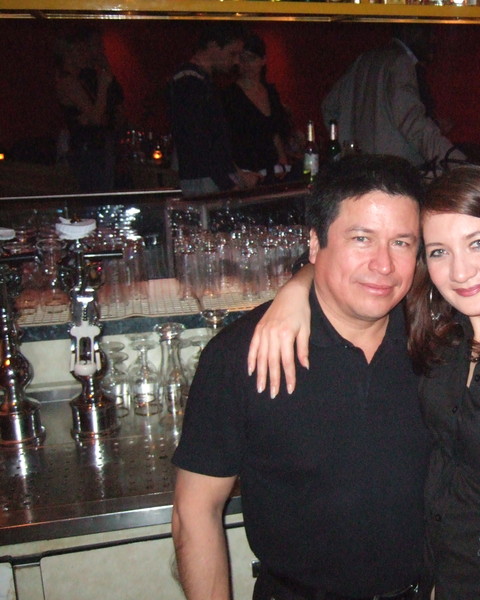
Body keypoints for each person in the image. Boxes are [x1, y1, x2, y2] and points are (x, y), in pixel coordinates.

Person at [247, 165, 480, 598]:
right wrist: (294, 291)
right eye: (438, 251)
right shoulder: (440, 340)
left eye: (479, 243)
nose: (460, 271)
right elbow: (343, 266)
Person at [172, 154, 432, 600]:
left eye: (402, 243)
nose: (384, 264)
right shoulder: (241, 355)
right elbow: (195, 511)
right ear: (314, 244)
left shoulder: (435, 343)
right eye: (361, 239)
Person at [321, 24, 465, 171]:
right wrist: (457, 163)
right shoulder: (400, 62)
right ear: (410, 30)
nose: (434, 39)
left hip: (359, 169)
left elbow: (329, 107)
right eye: (428, 32)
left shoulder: (364, 59)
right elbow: (414, 125)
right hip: (392, 172)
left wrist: (348, 145)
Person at [168, 23, 260, 197]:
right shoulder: (189, 82)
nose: (236, 61)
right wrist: (227, 183)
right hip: (205, 180)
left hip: (210, 178)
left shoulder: (198, 80)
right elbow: (198, 141)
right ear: (213, 46)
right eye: (232, 53)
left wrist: (236, 175)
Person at [54, 27, 124, 192]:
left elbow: (100, 115)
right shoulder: (68, 82)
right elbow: (96, 119)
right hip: (87, 150)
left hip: (93, 148)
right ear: (69, 54)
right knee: (96, 195)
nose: (85, 55)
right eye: (80, 51)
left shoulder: (78, 79)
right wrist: (103, 86)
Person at [220, 33, 293, 182]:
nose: (246, 65)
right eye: (242, 59)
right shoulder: (229, 96)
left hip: (272, 168)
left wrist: (282, 160)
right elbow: (223, 139)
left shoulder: (270, 92)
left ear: (263, 60)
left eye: (251, 58)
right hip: (245, 169)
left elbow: (275, 132)